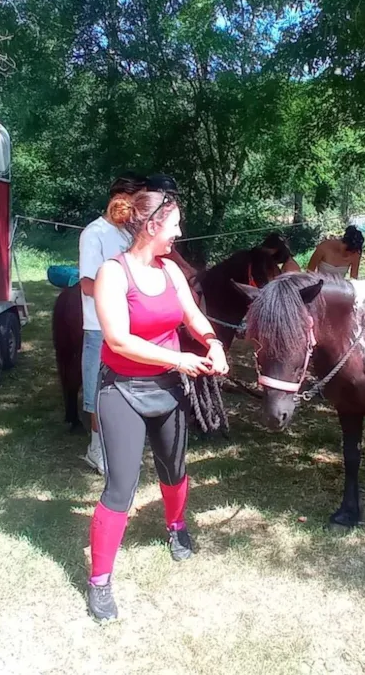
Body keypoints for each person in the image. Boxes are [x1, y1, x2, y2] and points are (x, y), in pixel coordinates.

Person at [87, 186, 229, 621]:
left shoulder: (170, 271)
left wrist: (212, 343)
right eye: (174, 225)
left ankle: (176, 526)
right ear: (151, 227)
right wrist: (180, 358)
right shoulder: (113, 272)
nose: (179, 233)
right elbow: (118, 339)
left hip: (168, 388)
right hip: (123, 390)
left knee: (174, 468)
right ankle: (100, 583)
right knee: (121, 486)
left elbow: (192, 315)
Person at [78, 173, 142, 472]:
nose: (137, 209)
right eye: (134, 202)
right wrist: (122, 293)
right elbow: (88, 285)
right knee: (97, 389)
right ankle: (96, 449)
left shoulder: (128, 234)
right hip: (99, 328)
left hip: (129, 326)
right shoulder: (95, 233)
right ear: (119, 198)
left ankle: (119, 444)